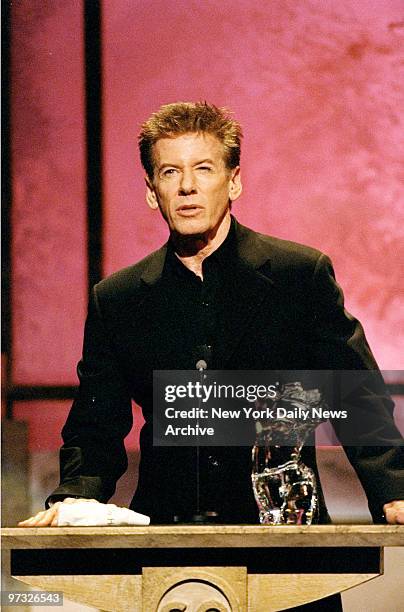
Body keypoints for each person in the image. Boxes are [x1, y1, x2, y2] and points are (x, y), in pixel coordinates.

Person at [20, 102, 404, 530]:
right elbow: (96, 426)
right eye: (170, 172)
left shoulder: (298, 276)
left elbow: (355, 394)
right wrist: (74, 499)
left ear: (233, 181)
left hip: (285, 535)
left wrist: (394, 491)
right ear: (151, 191)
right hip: (165, 538)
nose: (187, 187)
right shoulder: (120, 299)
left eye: (203, 169)